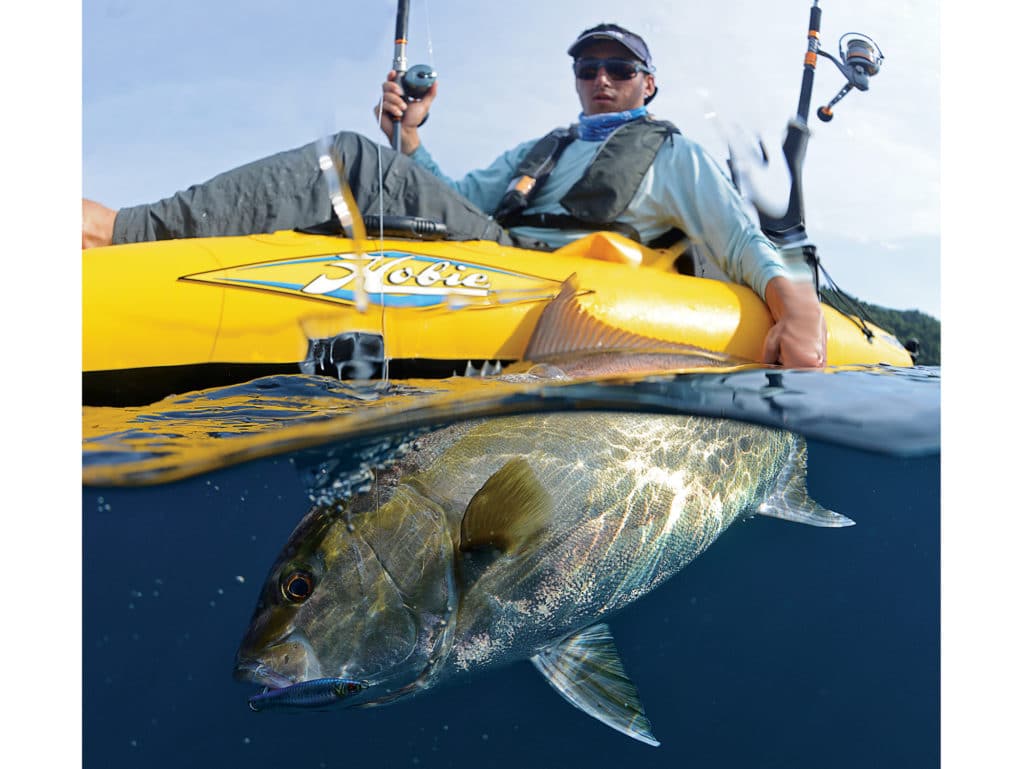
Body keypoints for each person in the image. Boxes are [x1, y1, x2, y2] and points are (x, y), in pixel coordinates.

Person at [82, 23, 826, 368]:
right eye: (588, 67)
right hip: (494, 254)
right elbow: (447, 196)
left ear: (647, 83)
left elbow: (739, 238)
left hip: (565, 281)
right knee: (369, 168)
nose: (601, 79)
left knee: (346, 157)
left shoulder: (673, 154)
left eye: (619, 68)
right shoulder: (546, 148)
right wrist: (411, 136)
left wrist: (795, 305)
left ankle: (124, 231)